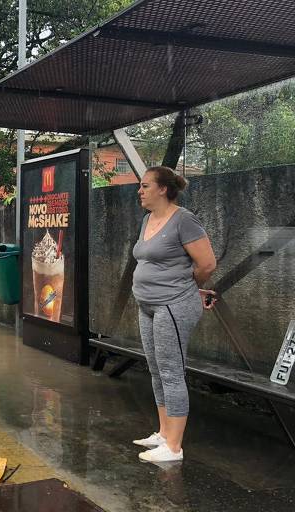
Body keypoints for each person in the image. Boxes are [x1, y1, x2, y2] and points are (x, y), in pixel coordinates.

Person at [131, 166, 217, 463]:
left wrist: (189, 288)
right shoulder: (147, 219)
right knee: (156, 369)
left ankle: (174, 447)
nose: (140, 191)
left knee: (170, 371)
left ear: (163, 189)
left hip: (173, 305)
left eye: (145, 186)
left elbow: (207, 264)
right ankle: (164, 433)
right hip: (147, 304)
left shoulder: (184, 220)